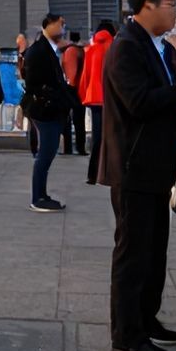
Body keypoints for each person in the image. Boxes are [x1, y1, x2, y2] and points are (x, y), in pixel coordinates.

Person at [98, 0, 176, 351]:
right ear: (146, 5)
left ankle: (147, 319)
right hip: (133, 165)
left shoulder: (153, 46)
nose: (175, 11)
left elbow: (156, 102)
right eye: (171, 3)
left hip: (153, 165)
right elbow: (138, 103)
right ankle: (126, 333)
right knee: (133, 252)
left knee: (153, 250)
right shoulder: (127, 47)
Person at [23, 14, 78, 212]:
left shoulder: (47, 49)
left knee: (48, 152)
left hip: (48, 107)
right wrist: (56, 96)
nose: (63, 27)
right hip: (44, 109)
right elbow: (34, 83)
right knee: (45, 153)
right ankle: (37, 197)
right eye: (60, 24)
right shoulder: (38, 51)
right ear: (48, 25)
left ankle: (41, 194)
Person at [79, 21, 115, 185]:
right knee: (112, 136)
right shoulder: (114, 47)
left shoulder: (90, 49)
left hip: (93, 98)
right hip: (110, 98)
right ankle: (108, 173)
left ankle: (91, 175)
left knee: (97, 137)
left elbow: (85, 76)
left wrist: (83, 94)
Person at [61, 31, 87, 156]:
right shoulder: (82, 51)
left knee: (67, 119)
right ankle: (80, 147)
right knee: (79, 120)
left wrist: (70, 84)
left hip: (72, 88)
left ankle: (68, 148)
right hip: (82, 89)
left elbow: (71, 72)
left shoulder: (70, 51)